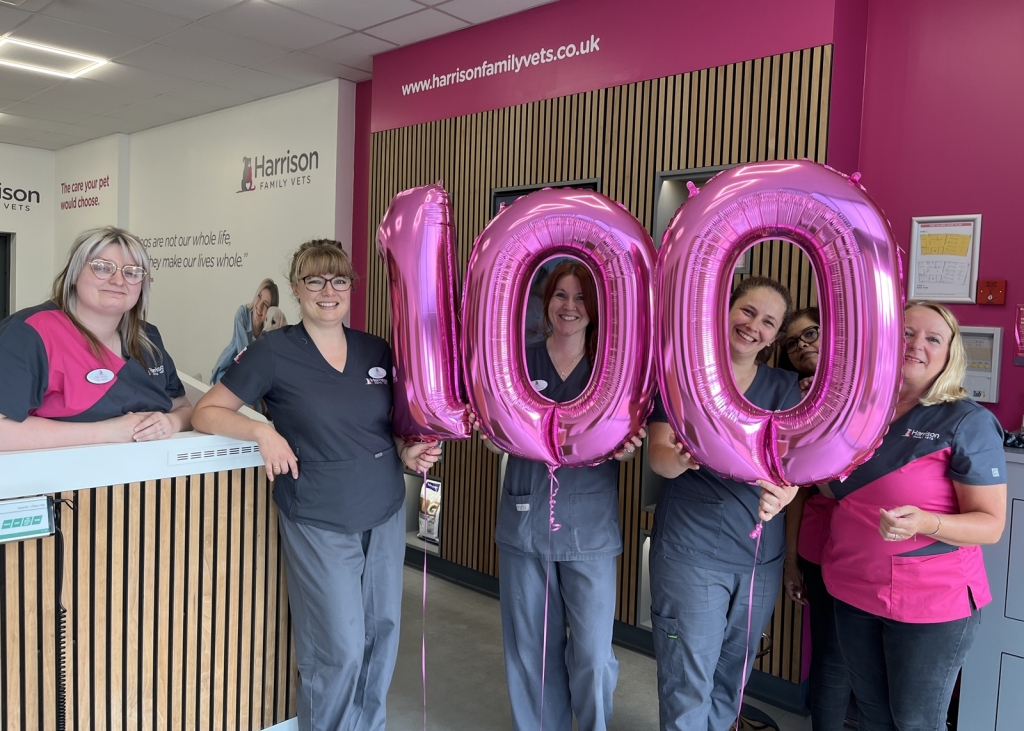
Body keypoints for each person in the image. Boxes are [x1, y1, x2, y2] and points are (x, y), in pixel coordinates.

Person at [192, 239, 440, 731]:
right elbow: (206, 411)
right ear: (296, 288)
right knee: (338, 648)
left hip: (384, 508)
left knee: (381, 635)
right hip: (319, 514)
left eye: (339, 280)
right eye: (315, 280)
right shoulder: (272, 352)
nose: (329, 291)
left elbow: (383, 427)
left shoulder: (376, 350)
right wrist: (263, 432)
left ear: (351, 286)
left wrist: (407, 451)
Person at [821, 301, 1006, 731]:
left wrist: (926, 522)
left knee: (915, 722)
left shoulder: (968, 422)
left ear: (949, 355)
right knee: (872, 715)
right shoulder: (858, 411)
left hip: (931, 604)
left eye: (932, 338)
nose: (915, 344)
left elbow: (991, 525)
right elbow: (833, 489)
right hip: (852, 588)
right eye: (906, 332)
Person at [475, 260, 643, 731]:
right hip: (525, 521)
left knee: (592, 654)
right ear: (546, 303)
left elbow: (626, 439)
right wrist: (493, 434)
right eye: (561, 295)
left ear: (597, 307)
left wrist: (628, 449)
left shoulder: (613, 368)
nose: (570, 306)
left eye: (581, 296)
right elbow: (497, 438)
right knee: (531, 651)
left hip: (590, 528)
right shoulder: (516, 363)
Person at [647, 276, 803, 731]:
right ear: (725, 311)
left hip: (759, 558)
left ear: (775, 337)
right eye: (747, 311)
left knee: (732, 680)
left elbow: (795, 464)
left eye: (768, 322)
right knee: (687, 679)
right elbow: (658, 456)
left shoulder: (785, 388)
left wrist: (790, 489)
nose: (754, 326)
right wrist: (681, 457)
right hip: (691, 553)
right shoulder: (681, 376)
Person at [0, 226, 191, 451]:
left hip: (147, 472)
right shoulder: (28, 334)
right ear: (74, 274)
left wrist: (171, 423)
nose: (118, 280)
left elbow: (185, 408)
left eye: (131, 272)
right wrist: (106, 432)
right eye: (102, 268)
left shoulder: (147, 339)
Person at [779, 307, 854, 731]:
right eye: (791, 342)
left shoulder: (870, 391)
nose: (801, 345)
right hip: (823, 547)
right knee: (833, 656)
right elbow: (798, 493)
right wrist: (791, 561)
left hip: (880, 546)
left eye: (810, 333)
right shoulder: (795, 402)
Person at [209, 277, 280, 384]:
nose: (259, 306)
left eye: (265, 304)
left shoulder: (269, 332)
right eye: (259, 297)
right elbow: (244, 356)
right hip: (227, 370)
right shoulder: (242, 314)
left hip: (248, 378)